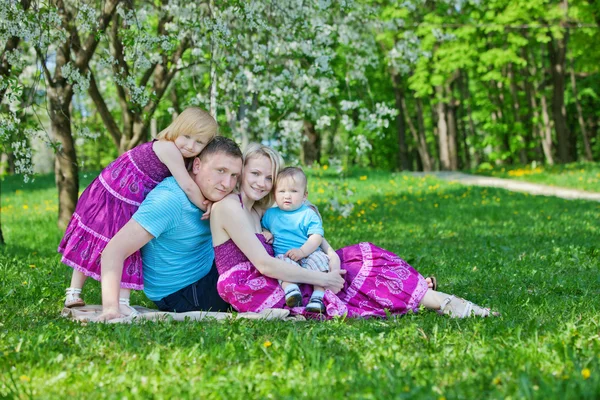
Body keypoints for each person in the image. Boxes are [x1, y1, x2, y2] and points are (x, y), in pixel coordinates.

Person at [210, 143, 498, 319]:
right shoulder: (228, 206)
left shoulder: (259, 211)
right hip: (252, 284)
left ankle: (436, 298)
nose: (260, 182)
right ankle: (441, 301)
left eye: (268, 177)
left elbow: (300, 220)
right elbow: (263, 263)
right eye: (254, 174)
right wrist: (322, 277)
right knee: (344, 285)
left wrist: (328, 256)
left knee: (359, 259)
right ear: (242, 172)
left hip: (277, 272)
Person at [59, 107, 217, 310]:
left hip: (133, 200)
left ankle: (123, 301)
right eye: (187, 136)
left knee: (131, 249)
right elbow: (186, 185)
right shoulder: (168, 148)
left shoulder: (183, 156)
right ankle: (73, 292)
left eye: (199, 142)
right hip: (115, 194)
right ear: (177, 129)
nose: (190, 145)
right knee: (94, 238)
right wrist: (207, 205)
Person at [97, 137, 243, 319]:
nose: (227, 184)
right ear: (197, 166)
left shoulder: (213, 194)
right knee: (256, 284)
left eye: (234, 176)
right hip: (181, 292)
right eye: (221, 171)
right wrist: (111, 308)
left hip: (207, 270)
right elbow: (113, 251)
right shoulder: (170, 199)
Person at [261, 167, 330, 313]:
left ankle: (318, 297)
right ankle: (292, 291)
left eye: (293, 191)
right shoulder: (270, 214)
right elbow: (262, 226)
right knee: (280, 265)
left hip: (308, 253)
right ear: (274, 194)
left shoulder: (308, 214)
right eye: (282, 191)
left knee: (320, 261)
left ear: (304, 196)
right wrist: (266, 232)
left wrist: (302, 251)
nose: (287, 196)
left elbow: (316, 237)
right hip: (285, 254)